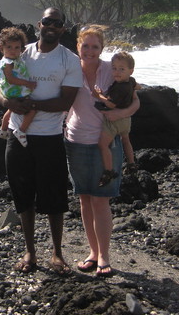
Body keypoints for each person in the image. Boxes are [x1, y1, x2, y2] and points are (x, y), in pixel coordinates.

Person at [0, 7, 82, 275]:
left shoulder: (69, 60)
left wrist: (32, 105)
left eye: (57, 23)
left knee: (55, 196)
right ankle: (30, 252)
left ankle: (57, 253)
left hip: (49, 137)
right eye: (47, 21)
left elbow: (67, 101)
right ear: (39, 24)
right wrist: (8, 102)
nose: (51, 26)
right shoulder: (23, 52)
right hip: (17, 136)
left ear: (63, 29)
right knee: (22, 195)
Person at [64, 25, 140, 277]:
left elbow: (135, 95)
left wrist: (122, 113)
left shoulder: (112, 69)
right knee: (85, 198)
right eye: (85, 45)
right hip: (75, 140)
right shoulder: (70, 69)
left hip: (105, 142)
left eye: (95, 46)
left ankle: (105, 256)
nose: (89, 51)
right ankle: (93, 253)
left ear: (101, 49)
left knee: (101, 200)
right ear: (78, 47)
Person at [92, 51, 139, 187]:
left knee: (103, 145)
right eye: (114, 68)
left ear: (131, 71)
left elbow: (111, 104)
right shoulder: (131, 81)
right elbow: (138, 87)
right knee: (126, 140)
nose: (117, 72)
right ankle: (131, 163)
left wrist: (98, 95)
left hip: (115, 121)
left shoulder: (119, 87)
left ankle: (108, 170)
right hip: (126, 120)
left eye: (121, 69)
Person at [0, 27, 37, 147]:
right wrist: (27, 83)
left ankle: (3, 130)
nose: (13, 50)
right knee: (32, 109)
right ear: (1, 47)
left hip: (11, 91)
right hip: (14, 90)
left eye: (17, 47)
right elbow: (10, 79)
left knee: (10, 110)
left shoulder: (15, 59)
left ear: (21, 49)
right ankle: (21, 131)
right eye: (9, 47)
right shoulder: (8, 63)